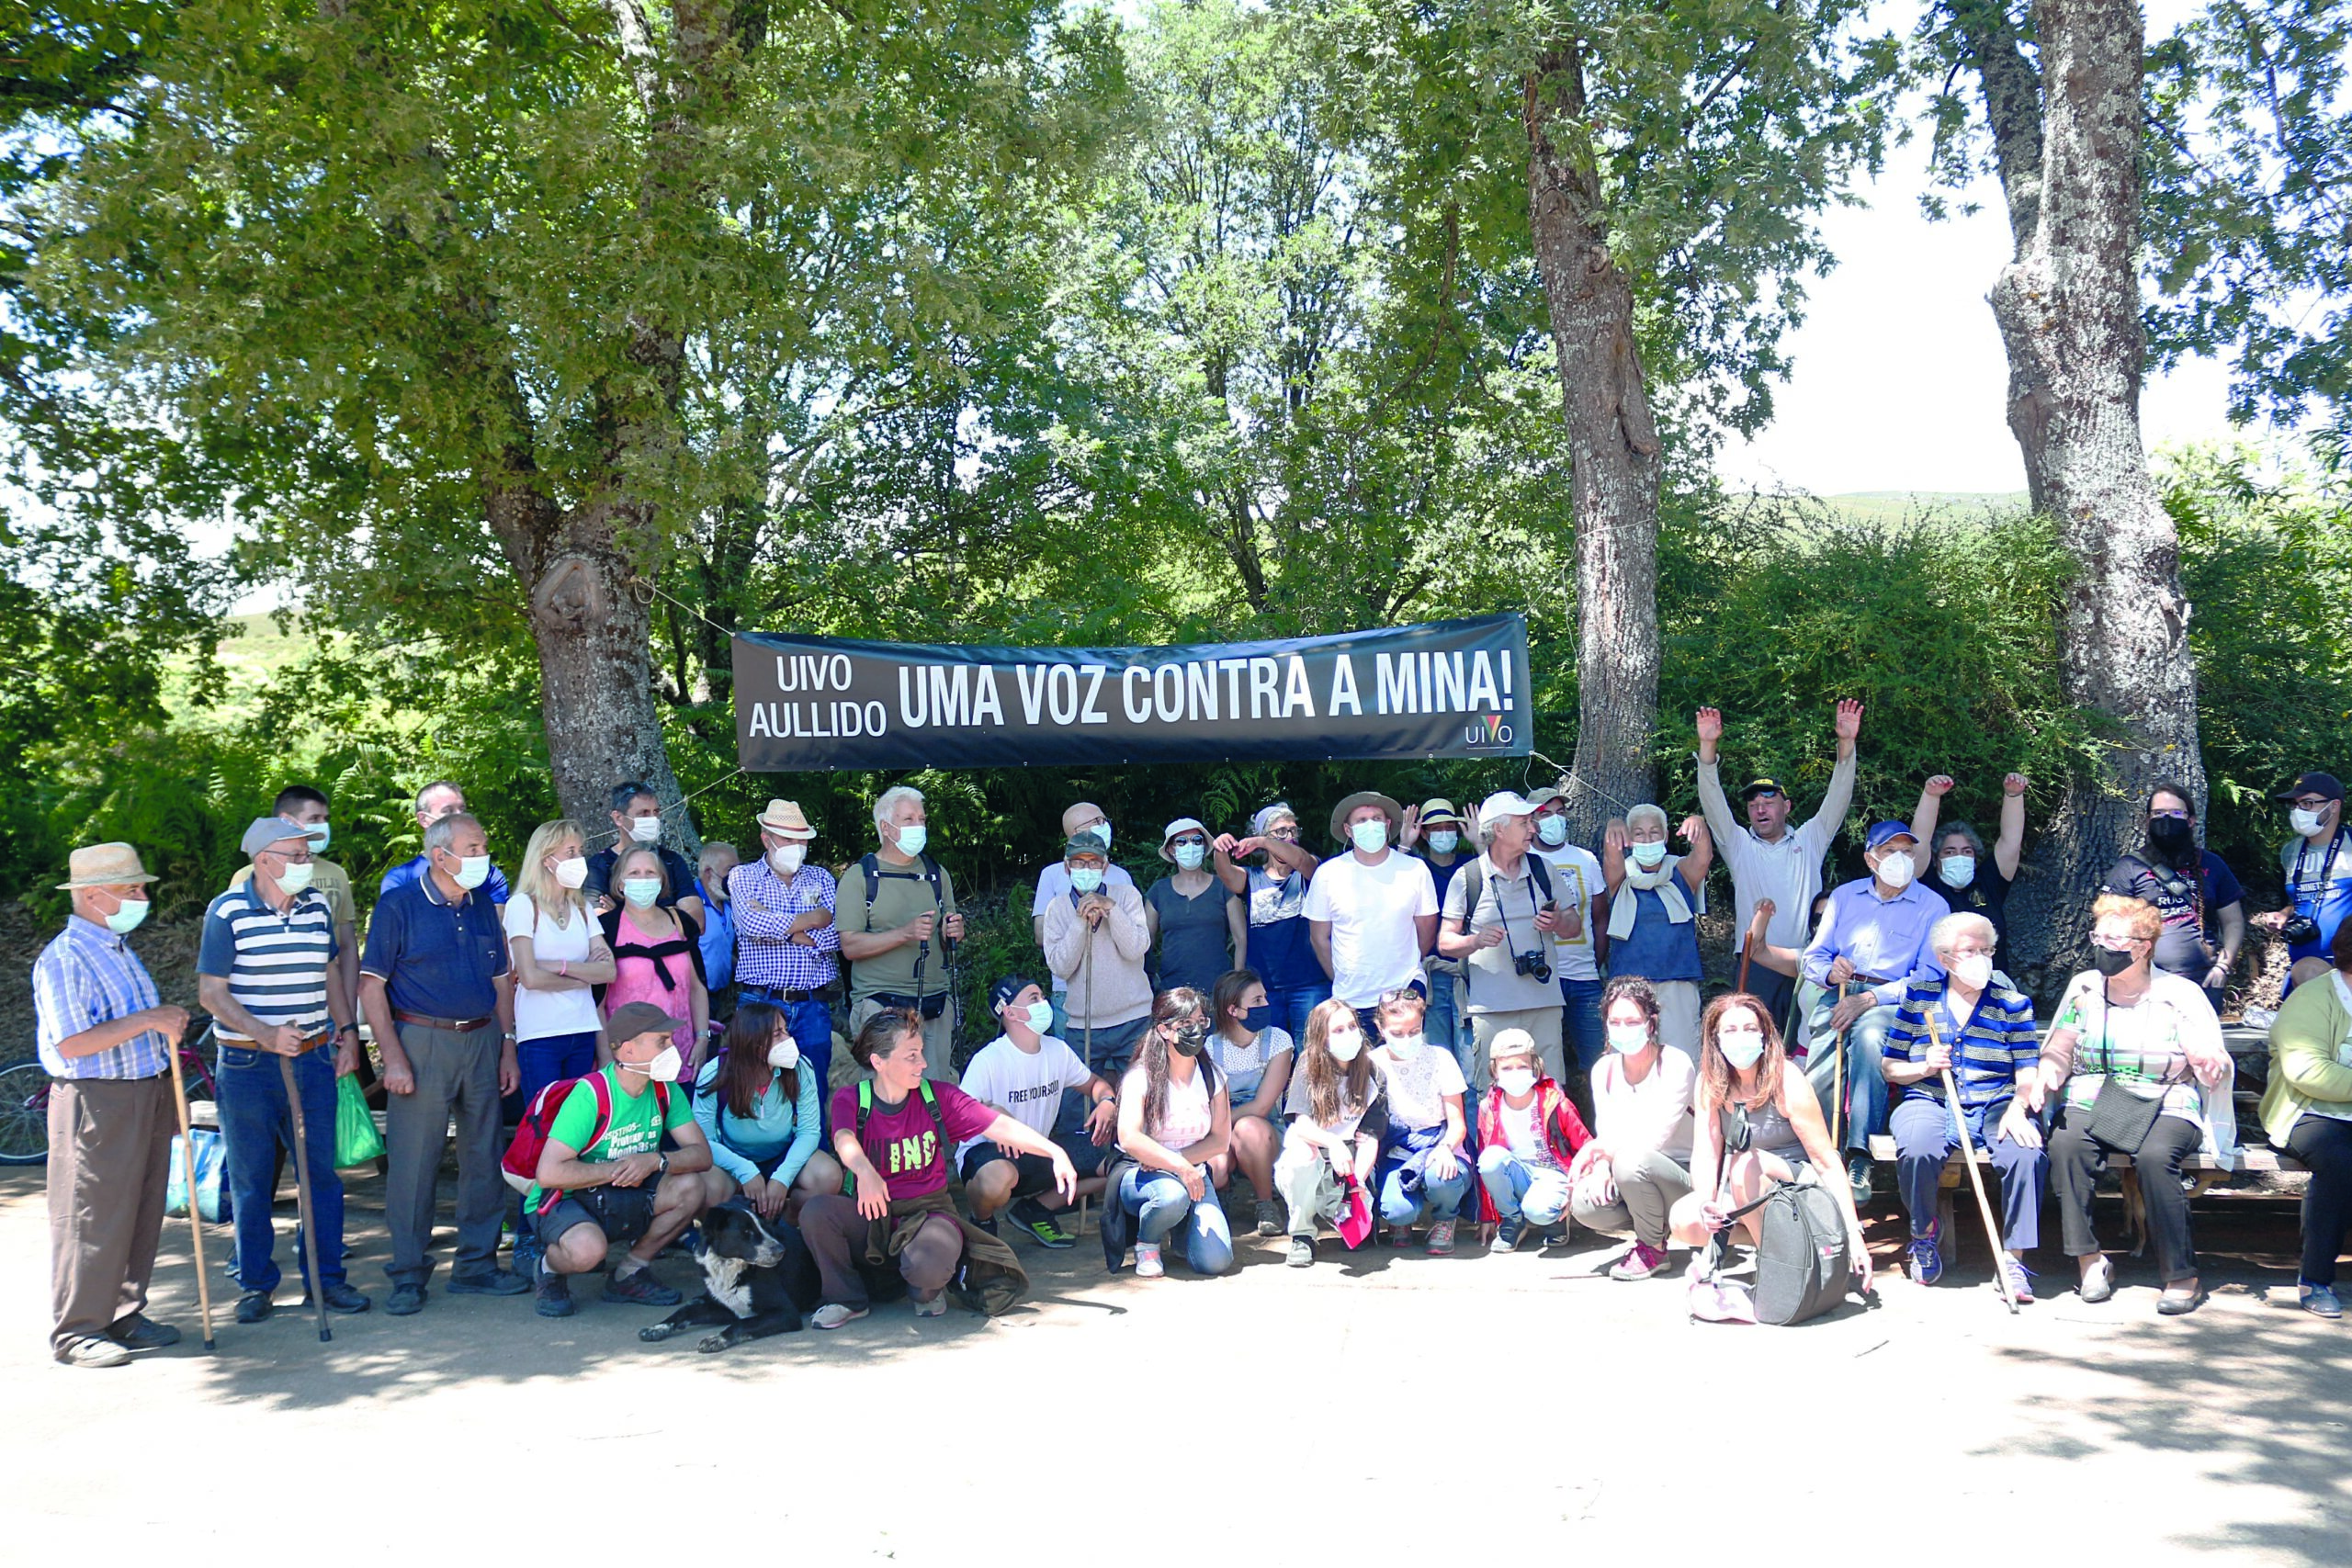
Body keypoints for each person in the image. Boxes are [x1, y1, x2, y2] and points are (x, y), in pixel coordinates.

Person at [198, 817, 370, 1323]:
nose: (305, 865)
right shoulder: (227, 911)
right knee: (252, 1179)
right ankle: (254, 1284)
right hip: (248, 1064)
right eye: (296, 856)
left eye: (307, 855)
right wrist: (264, 1034)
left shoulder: (318, 908)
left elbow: (330, 975)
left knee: (321, 1175)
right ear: (263, 860)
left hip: (315, 1057)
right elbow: (211, 993)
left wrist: (347, 1034)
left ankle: (326, 1280)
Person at [358, 811, 530, 1314]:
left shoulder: (481, 905)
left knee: (482, 1157)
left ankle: (476, 1266)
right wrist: (392, 1056)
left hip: (481, 1040)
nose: (482, 857)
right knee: (414, 1163)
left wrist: (507, 1045)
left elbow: (502, 980)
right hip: (421, 1041)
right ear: (439, 855)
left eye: (482, 847)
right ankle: (408, 1274)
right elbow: (372, 986)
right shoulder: (399, 905)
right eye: (472, 848)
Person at [800, 1010, 1067, 1327]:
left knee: (928, 1266)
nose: (923, 1063)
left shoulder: (938, 1096)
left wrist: (1053, 1151)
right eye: (911, 1056)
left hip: (929, 1214)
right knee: (816, 1212)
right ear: (878, 1062)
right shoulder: (852, 1099)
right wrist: (865, 1171)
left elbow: (996, 1124)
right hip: (873, 1213)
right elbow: (843, 1137)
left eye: (921, 1053)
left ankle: (923, 1287)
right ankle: (847, 1298)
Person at [34, 842, 191, 1367]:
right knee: (91, 1215)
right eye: (131, 890)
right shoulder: (65, 957)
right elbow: (72, 1043)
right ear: (92, 895)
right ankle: (78, 1331)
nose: (141, 897)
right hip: (96, 1100)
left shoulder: (117, 948)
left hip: (141, 1092)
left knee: (143, 1209)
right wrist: (151, 1020)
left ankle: (123, 1313)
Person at [2039, 894, 2233, 1314]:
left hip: (2164, 1097)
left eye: (2115, 939)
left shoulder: (2178, 993)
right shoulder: (2084, 989)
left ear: (2143, 947)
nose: (2103, 946)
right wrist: (2048, 1074)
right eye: (2098, 936)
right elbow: (2060, 1046)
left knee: (2155, 1157)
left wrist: (2206, 1061)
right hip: (2095, 1094)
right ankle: (2090, 1260)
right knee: (2066, 1144)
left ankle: (2182, 1274)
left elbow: (2204, 1051)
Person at [1881, 912, 2043, 1300]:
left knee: (2027, 1153)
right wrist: (1924, 1066)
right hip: (1930, 1097)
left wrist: (2018, 1108)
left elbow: (2027, 1071)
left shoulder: (2012, 1003)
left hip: (1997, 1101)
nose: (1982, 958)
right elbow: (1890, 1067)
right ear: (1945, 957)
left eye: (1987, 950)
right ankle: (1923, 1233)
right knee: (1918, 1147)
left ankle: (2013, 1260)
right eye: (1971, 950)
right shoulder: (1919, 999)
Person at [1669, 993, 1872, 1294]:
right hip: (1747, 1188)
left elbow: (1826, 1161)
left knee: (1744, 1164)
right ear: (1716, 1039)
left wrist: (1854, 1234)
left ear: (1765, 1035)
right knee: (1686, 1219)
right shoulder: (1710, 1081)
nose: (1741, 1038)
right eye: (1731, 1030)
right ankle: (1785, 1245)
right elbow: (1706, 1154)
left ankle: (1782, 1266)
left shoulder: (1785, 1077)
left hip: (1797, 1180)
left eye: (1750, 1029)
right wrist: (1706, 1202)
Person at [526, 1001, 717, 1318]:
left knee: (697, 1186)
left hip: (625, 1193)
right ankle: (548, 1268)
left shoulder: (666, 1090)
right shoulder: (591, 1095)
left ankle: (629, 1273)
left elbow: (701, 1155)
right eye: (662, 1041)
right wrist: (618, 1169)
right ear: (628, 1051)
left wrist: (656, 1161)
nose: (673, 1048)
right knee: (587, 1252)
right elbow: (548, 1173)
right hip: (569, 1199)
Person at [1802, 819, 1951, 1202]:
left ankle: (1860, 1156)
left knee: (1870, 1039)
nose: (1900, 859)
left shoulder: (1933, 905)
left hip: (1894, 1001)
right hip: (1839, 992)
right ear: (1871, 860)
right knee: (1819, 1066)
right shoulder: (1845, 897)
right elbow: (1812, 958)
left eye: (1907, 852)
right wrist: (1829, 971)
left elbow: (1929, 976)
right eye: (1890, 852)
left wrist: (1870, 999)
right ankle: (1819, 1156)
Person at [1694, 700, 1863, 1030]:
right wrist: (1707, 747)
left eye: (1769, 801)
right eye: (1753, 804)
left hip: (1807, 962)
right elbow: (1713, 802)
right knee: (1753, 1046)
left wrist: (1846, 743)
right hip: (1755, 963)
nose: (1760, 809)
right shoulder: (1738, 844)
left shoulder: (1810, 838)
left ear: (1786, 806)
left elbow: (1838, 798)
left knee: (1803, 1047)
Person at [956, 976, 1115, 1247]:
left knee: (1120, 1162)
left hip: (1041, 1148)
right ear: (1009, 1011)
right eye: (1034, 998)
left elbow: (1095, 1084)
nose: (1043, 1004)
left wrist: (1107, 1101)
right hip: (992, 1153)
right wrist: (991, 1114)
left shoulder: (1057, 1050)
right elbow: (961, 1113)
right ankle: (981, 1221)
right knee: (998, 1179)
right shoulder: (989, 1060)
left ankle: (1036, 1210)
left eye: (1042, 997)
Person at [1438, 790, 1571, 1089]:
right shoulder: (1468, 877)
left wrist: (1559, 921)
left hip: (1544, 1004)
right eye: (1525, 823)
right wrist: (1475, 941)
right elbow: (1444, 943)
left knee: (1551, 1093)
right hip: (1492, 1009)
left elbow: (1574, 926)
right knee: (1494, 1098)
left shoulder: (1543, 870)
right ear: (1499, 829)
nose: (1534, 829)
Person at [1568, 977, 1698, 1280]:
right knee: (1586, 1203)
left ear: (1651, 1023)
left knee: (1631, 1160)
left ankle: (1652, 1248)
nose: (1623, 1029)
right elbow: (1608, 1130)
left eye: (1632, 1021)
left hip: (1682, 1174)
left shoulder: (1676, 1064)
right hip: (1631, 1171)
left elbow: (1655, 1137)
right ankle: (1652, 1225)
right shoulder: (1605, 1070)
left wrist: (1599, 1150)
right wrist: (1601, 1166)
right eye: (1615, 1021)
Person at [2258, 920, 2352, 1317]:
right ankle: (2315, 1278)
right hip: (2308, 1112)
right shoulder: (2314, 998)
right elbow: (2307, 1071)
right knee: (2341, 1163)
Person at [1114, 989, 1237, 1277]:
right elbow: (1129, 1137)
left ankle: (1182, 1230)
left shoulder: (1213, 1075)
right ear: (1164, 1031)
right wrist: (1177, 1165)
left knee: (1216, 1262)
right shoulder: (1140, 1076)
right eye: (1185, 1024)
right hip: (1142, 1174)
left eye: (1200, 1022)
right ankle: (1147, 1242)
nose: (1196, 1030)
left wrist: (1178, 1161)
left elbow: (1221, 1139)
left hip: (1193, 1173)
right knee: (1171, 1196)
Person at [836, 784, 963, 1063]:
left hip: (935, 1006)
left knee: (935, 1096)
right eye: (908, 819)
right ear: (886, 827)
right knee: (886, 1099)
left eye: (922, 819)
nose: (919, 826)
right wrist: (904, 933)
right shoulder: (860, 877)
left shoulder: (937, 873)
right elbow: (850, 946)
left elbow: (945, 938)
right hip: (880, 1005)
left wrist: (951, 933)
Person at [727, 798, 842, 1090]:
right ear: (766, 839)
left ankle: (813, 1139)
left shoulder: (822, 878)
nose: (797, 846)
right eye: (788, 839)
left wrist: (774, 923)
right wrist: (810, 922)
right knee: (754, 1089)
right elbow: (751, 925)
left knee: (812, 1089)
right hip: (760, 1003)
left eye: (802, 840)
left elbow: (834, 937)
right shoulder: (744, 876)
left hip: (812, 1005)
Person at [1305, 791, 1439, 1034]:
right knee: (1357, 1071)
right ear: (1348, 830)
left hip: (1404, 994)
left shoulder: (1415, 869)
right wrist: (1342, 977)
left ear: (1388, 825)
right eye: (1361, 820)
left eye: (1376, 818)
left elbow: (1427, 929)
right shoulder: (1328, 874)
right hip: (1350, 1001)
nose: (1370, 825)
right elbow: (1319, 938)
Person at [694, 1000, 842, 1218]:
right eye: (777, 1034)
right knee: (709, 1188)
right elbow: (703, 1141)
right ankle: (729, 1229)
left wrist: (782, 1178)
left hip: (781, 1155)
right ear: (753, 1044)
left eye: (785, 1030)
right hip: (733, 1159)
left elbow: (809, 1132)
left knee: (828, 1175)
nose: (788, 1039)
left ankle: (786, 1222)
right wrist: (745, 1171)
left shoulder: (801, 1068)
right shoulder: (714, 1072)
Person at [2106, 782, 2245, 1014]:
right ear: (2147, 820)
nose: (2167, 820)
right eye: (2158, 813)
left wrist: (2223, 966)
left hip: (2203, 983)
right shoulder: (2129, 867)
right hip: (2147, 986)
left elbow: (2233, 921)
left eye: (2176, 813)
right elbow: (2110, 925)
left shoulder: (2212, 864)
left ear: (2190, 820)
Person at [506, 819, 615, 1113]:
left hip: (582, 1029)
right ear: (546, 859)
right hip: (540, 1034)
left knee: (577, 1123)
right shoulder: (522, 906)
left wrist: (557, 966)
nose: (579, 860)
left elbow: (609, 971)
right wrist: (584, 975)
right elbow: (529, 978)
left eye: (580, 851)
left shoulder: (582, 909)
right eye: (570, 852)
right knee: (543, 1122)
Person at [1272, 998, 1385, 1268]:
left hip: (1350, 1164)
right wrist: (1332, 1142)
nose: (1348, 1035)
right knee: (1301, 1156)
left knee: (1360, 1239)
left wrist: (1357, 1181)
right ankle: (1302, 1234)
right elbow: (1302, 1124)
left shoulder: (1373, 1073)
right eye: (1338, 1030)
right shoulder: (1307, 1066)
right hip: (1314, 1154)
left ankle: (1340, 1208)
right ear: (1322, 1039)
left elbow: (1371, 1136)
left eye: (1351, 1026)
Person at [230, 785, 357, 1013]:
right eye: (314, 818)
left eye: (325, 818)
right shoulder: (246, 877)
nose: (323, 825)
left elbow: (347, 947)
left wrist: (347, 1011)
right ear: (286, 820)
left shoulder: (337, 874)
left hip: (328, 1000)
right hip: (269, 1003)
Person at [1599, 805, 1712, 1051]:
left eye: (1653, 833)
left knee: (1682, 1054)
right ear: (1629, 839)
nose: (1647, 839)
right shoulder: (1621, 876)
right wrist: (1613, 827)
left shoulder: (1681, 872)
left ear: (1665, 837)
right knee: (1629, 1055)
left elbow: (1703, 857)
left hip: (1677, 981)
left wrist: (1698, 822)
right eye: (1639, 834)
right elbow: (1611, 857)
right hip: (1628, 983)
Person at [1366, 987, 1471, 1252]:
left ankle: (1446, 1218)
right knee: (1396, 1210)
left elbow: (1457, 1122)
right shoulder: (1371, 1063)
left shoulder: (1440, 1058)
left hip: (1439, 1142)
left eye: (1414, 1032)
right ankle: (1402, 1220)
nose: (1406, 1039)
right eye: (1397, 1033)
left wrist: (1446, 1148)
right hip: (1396, 1148)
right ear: (1380, 1028)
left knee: (1442, 1177)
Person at [1212, 801, 1329, 1040]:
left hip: (1310, 984)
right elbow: (1226, 873)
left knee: (1312, 1055)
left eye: (1293, 831)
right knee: (1271, 1055)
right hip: (1263, 989)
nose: (1290, 837)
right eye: (1281, 832)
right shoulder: (1251, 877)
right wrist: (1220, 848)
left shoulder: (1310, 872)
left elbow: (1302, 861)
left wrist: (1266, 841)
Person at [1042, 835, 1155, 1077]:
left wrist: (1112, 909)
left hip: (1134, 1020)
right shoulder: (1057, 907)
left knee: (1144, 1099)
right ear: (1067, 867)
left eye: (1093, 862)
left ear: (1105, 867)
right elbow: (1061, 967)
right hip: (1082, 1026)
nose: (1086, 868)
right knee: (1077, 1106)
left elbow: (1135, 948)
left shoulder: (1127, 895)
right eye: (1079, 863)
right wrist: (1079, 921)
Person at [597, 845, 710, 1077]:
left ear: (661, 881)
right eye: (634, 873)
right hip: (627, 1059)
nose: (643, 879)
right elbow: (597, 1001)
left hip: (681, 1053)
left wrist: (702, 1037)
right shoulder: (607, 929)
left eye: (650, 873)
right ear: (620, 883)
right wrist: (606, 1057)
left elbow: (697, 987)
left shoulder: (681, 923)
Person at [1474, 1027, 1589, 1252]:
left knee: (1539, 1210)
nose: (1515, 1072)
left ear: (1535, 1068)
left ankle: (1556, 1221)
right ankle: (1512, 1221)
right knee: (1489, 1160)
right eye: (1506, 1068)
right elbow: (1485, 1159)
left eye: (1523, 1066)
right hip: (1518, 1174)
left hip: (1553, 1175)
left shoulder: (1556, 1104)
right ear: (1494, 1071)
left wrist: (1575, 1189)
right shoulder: (1489, 1107)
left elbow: (1586, 1147)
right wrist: (1487, 1216)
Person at [1524, 787, 1609, 1079]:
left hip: (1584, 978)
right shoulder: (1522, 860)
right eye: (1545, 814)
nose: (1554, 820)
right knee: (1539, 1062)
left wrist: (1595, 963)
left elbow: (1600, 918)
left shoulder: (1586, 859)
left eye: (1560, 813)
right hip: (1539, 980)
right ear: (1530, 821)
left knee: (1599, 1062)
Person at [1205, 968, 1293, 1236]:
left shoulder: (1278, 1040)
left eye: (1264, 998)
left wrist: (1220, 1125)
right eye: (1256, 1001)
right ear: (1233, 1010)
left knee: (1249, 1128)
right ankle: (1220, 1196)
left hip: (1264, 1131)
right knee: (1216, 1167)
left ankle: (1265, 1203)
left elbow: (1261, 1107)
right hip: (1222, 1128)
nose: (1265, 1005)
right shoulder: (1209, 1047)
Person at [1032, 801, 1135, 1017]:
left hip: (1120, 990)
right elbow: (1041, 935)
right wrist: (1080, 917)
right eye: (1097, 821)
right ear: (1075, 833)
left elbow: (1136, 937)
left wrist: (1111, 912)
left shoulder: (1122, 876)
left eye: (1104, 820)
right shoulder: (1052, 875)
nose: (1104, 825)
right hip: (1068, 990)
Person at [1908, 772, 2029, 949]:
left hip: (1993, 975)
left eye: (1966, 851)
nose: (1959, 857)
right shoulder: (1927, 884)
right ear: (1936, 859)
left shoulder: (1989, 882)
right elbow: (1919, 841)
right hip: (1939, 976)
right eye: (1950, 852)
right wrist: (1931, 796)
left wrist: (2014, 795)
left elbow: (2010, 842)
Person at [2256, 772, 2352, 991]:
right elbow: (2298, 901)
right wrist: (2283, 915)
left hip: (2345, 967)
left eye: (2307, 804)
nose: (2299, 811)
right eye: (2295, 805)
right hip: (2302, 967)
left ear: (2334, 806)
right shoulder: (2290, 851)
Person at [1406, 798, 1475, 1073]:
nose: (1444, 834)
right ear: (1424, 833)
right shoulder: (1412, 869)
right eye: (1436, 829)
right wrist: (1404, 845)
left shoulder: (1473, 866)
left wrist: (1480, 843)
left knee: (1472, 1066)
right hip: (1429, 976)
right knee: (1435, 1063)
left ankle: (1471, 1117)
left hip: (1469, 975)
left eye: (1450, 827)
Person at [581, 781, 705, 925]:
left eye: (656, 812)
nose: (653, 819)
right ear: (618, 818)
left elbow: (696, 921)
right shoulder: (598, 866)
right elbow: (599, 925)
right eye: (643, 814)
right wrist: (672, 913)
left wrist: (619, 914)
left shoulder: (672, 861)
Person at [1145, 817, 1241, 997]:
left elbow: (1241, 940)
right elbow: (1144, 943)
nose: (1190, 846)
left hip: (1218, 990)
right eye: (1181, 841)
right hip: (1172, 992)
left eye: (1196, 840)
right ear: (1171, 849)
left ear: (1204, 846)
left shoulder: (1224, 887)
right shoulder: (1158, 891)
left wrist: (1237, 984)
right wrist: (1149, 979)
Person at [379, 780, 510, 905]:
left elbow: (496, 924)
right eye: (448, 811)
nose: (459, 817)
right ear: (424, 819)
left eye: (462, 810)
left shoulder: (486, 874)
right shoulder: (400, 879)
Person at [695, 841, 739, 998]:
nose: (736, 877)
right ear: (708, 872)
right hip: (697, 997)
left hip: (721, 995)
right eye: (730, 870)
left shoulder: (728, 905)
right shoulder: (692, 905)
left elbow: (720, 950)